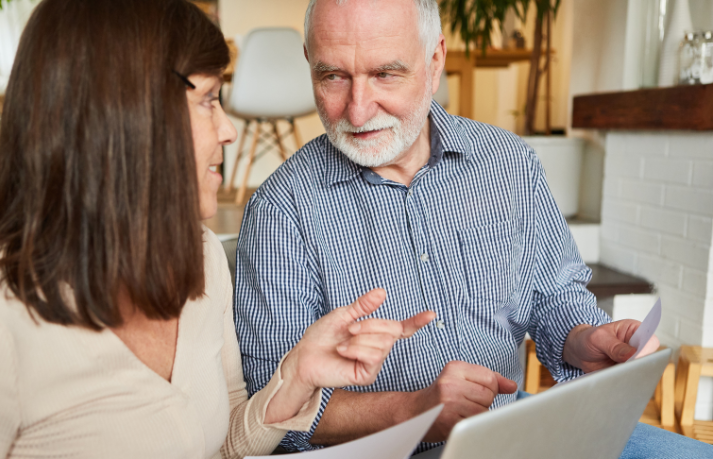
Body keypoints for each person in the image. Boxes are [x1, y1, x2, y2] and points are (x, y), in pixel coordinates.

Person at [0, 1, 436, 458]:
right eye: (206, 100)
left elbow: (220, 439)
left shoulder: (197, 256)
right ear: (127, 116)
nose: (228, 130)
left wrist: (296, 375)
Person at [234, 0, 713, 456]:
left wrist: (585, 338)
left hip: (511, 429)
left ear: (435, 58)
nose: (358, 111)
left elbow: (552, 297)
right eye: (333, 76)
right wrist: (413, 410)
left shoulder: (508, 164)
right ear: (309, 63)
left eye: (386, 74)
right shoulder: (282, 210)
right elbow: (273, 413)